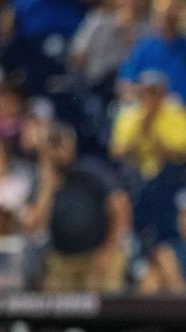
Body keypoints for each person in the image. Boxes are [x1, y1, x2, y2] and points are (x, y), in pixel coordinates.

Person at [22, 124, 130, 292]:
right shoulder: (41, 181)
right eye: (53, 145)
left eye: (63, 144)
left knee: (105, 293)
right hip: (60, 258)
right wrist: (47, 188)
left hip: (96, 253)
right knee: (52, 302)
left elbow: (120, 205)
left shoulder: (91, 170)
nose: (59, 151)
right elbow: (34, 228)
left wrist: (109, 248)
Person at [118, 0, 186, 108]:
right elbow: (126, 84)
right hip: (153, 112)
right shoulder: (144, 48)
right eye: (162, 16)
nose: (166, 22)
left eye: (170, 17)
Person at [110, 69, 186, 180]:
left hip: (170, 170)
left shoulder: (178, 115)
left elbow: (185, 153)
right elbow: (117, 152)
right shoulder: (128, 115)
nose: (149, 98)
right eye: (144, 93)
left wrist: (156, 138)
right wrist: (141, 129)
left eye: (154, 93)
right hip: (135, 170)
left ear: (164, 94)